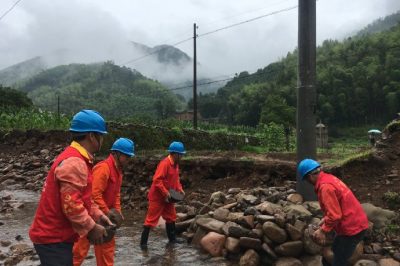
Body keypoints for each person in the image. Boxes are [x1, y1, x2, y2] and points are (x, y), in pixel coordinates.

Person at [29, 110, 113, 266]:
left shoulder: (76, 157)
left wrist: (97, 214)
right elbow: (72, 205)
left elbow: (82, 198)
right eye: (101, 136)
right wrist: (92, 227)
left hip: (54, 236)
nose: (102, 140)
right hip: (53, 238)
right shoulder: (76, 162)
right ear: (91, 136)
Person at [73, 137, 135, 265]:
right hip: (91, 216)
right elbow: (94, 195)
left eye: (129, 157)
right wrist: (108, 213)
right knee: (78, 253)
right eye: (127, 157)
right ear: (116, 154)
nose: (129, 160)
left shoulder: (119, 172)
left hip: (106, 219)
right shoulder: (104, 168)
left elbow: (116, 194)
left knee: (107, 253)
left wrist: (117, 212)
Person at [297, 159, 369, 266]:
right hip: (355, 222)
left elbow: (335, 216)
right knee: (335, 249)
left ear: (310, 176)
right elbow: (337, 206)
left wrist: (323, 231)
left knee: (339, 261)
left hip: (351, 228)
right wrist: (325, 219)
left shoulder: (325, 187)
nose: (309, 183)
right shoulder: (330, 178)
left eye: (307, 180)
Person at [140, 141, 186, 250]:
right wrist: (166, 193)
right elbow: (157, 180)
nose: (182, 156)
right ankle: (143, 244)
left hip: (168, 197)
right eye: (181, 154)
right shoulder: (165, 163)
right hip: (158, 197)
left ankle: (172, 240)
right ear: (175, 154)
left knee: (171, 217)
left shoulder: (175, 165)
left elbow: (176, 180)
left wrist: (180, 189)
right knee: (150, 220)